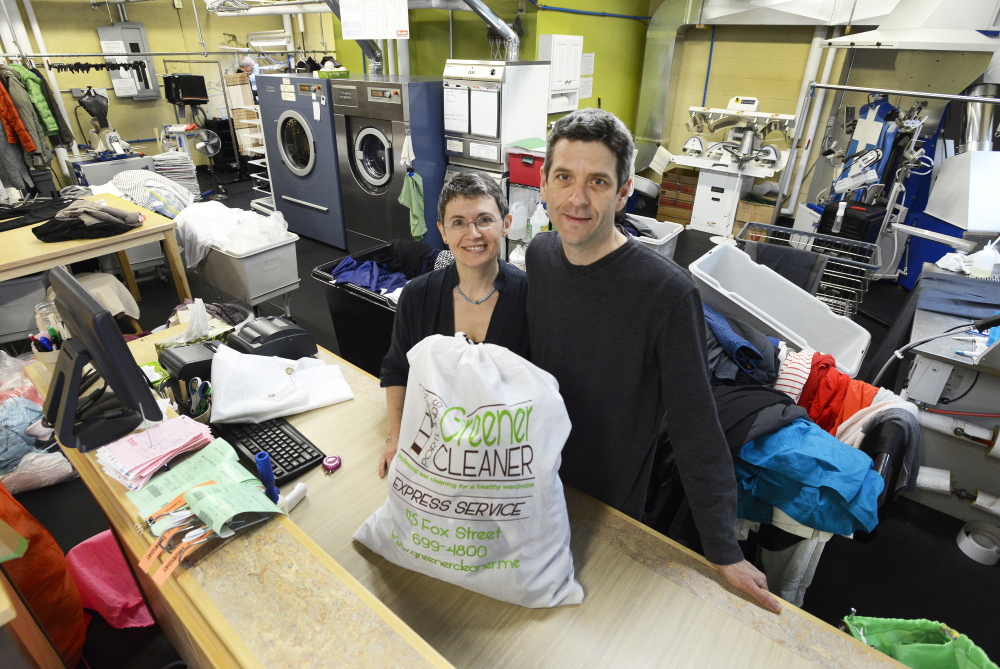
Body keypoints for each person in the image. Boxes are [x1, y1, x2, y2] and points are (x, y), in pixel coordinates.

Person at [525, 108, 782, 614]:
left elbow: (695, 421)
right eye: (565, 178)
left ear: (624, 193)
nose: (577, 199)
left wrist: (723, 550)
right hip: (537, 478)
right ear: (545, 184)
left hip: (608, 502)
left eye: (598, 182)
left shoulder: (665, 292)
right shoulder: (539, 255)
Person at [378, 172, 529, 477]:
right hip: (433, 447)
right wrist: (395, 438)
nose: (472, 234)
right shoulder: (417, 295)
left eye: (485, 220)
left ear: (507, 224)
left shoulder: (530, 298)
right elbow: (396, 369)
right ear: (443, 232)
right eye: (458, 222)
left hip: (504, 455)